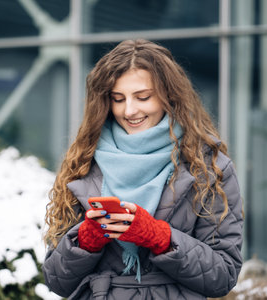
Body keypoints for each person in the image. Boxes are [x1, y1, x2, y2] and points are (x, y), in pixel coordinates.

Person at [42, 39, 243, 299]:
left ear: (168, 95)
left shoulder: (209, 167)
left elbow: (223, 274)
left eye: (143, 97)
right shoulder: (82, 161)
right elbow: (56, 279)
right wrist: (84, 242)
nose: (129, 110)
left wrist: (161, 237)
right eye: (118, 99)